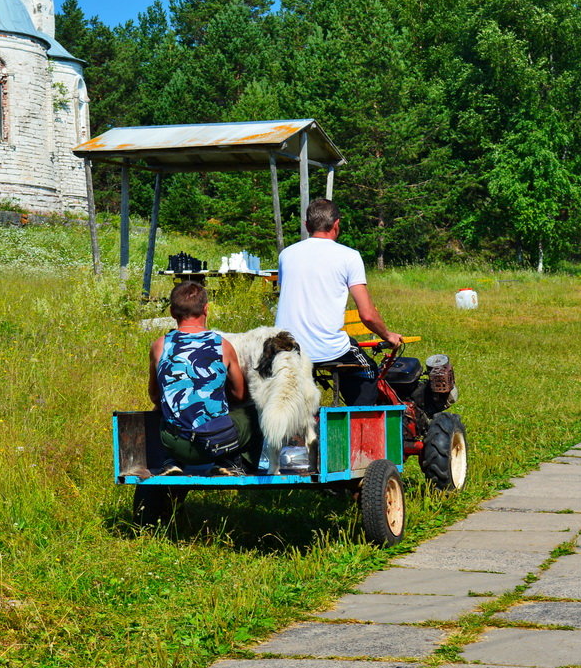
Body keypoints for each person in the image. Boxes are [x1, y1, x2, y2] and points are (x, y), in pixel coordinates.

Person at [275, 198, 403, 406]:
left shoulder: (286, 255)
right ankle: (358, 426)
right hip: (327, 348)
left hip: (287, 347)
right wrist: (388, 335)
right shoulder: (349, 257)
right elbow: (367, 315)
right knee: (369, 371)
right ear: (336, 225)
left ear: (307, 226)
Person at [147, 281, 261, 476]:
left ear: (172, 312)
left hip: (175, 443)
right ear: (206, 309)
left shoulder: (159, 346)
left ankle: (171, 461)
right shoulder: (222, 346)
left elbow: (155, 396)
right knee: (256, 413)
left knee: (163, 411)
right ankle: (230, 462)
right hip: (218, 441)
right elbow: (240, 395)